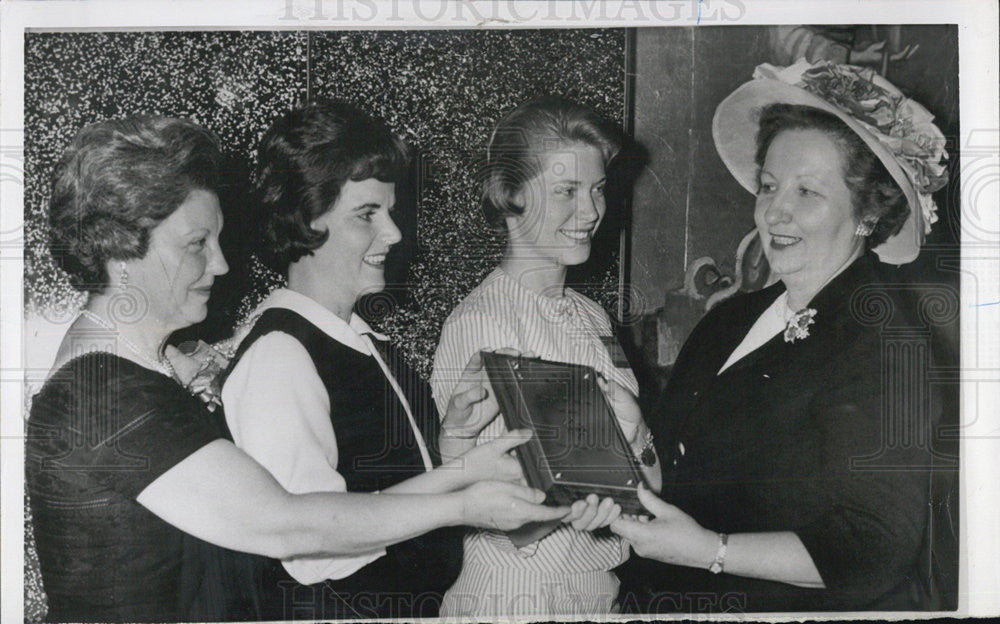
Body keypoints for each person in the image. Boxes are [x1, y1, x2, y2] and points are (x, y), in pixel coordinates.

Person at [26, 114, 567, 623]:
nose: (221, 263)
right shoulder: (100, 395)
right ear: (120, 248)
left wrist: (466, 472)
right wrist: (465, 501)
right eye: (196, 244)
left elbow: (307, 514)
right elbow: (290, 525)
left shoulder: (132, 372)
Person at [612, 60, 949, 612]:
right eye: (768, 186)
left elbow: (876, 549)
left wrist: (711, 552)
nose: (774, 212)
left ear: (866, 211)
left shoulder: (887, 343)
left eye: (807, 192)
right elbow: (681, 475)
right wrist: (633, 439)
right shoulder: (732, 318)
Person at [430, 96, 663, 617]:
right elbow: (503, 510)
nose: (591, 212)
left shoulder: (592, 318)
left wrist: (636, 434)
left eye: (598, 189)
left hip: (599, 587)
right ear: (511, 193)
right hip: (519, 595)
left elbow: (647, 487)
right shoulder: (483, 324)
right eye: (566, 191)